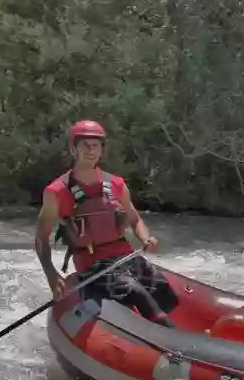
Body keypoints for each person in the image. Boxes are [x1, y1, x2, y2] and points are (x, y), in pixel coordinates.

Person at [34, 120, 177, 326]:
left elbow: (135, 220)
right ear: (73, 148)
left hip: (125, 257)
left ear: (102, 149)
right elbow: (41, 238)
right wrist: (51, 273)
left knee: (161, 287)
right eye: (85, 145)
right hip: (92, 265)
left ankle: (164, 330)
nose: (91, 150)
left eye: (96, 145)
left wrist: (146, 237)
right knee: (134, 290)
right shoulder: (56, 192)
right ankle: (177, 345)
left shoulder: (117, 184)